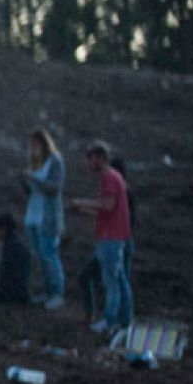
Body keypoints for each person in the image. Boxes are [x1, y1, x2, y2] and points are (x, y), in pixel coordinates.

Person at [70, 141, 134, 333]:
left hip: (111, 237)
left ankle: (109, 320)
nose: (89, 164)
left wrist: (82, 202)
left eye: (91, 159)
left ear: (100, 158)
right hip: (115, 235)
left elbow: (107, 205)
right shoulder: (115, 177)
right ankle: (125, 321)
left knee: (111, 281)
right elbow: (109, 211)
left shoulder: (109, 177)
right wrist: (85, 209)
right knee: (120, 280)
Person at [24, 129, 66, 309]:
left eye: (37, 143)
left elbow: (54, 188)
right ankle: (47, 291)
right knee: (40, 256)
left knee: (49, 255)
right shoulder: (35, 163)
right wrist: (25, 180)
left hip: (47, 216)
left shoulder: (55, 161)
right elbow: (29, 192)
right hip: (33, 215)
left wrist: (34, 179)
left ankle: (57, 292)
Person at [0, 213, 32, 304]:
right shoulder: (16, 244)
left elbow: (7, 276)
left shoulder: (11, 248)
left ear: (4, 229)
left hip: (11, 296)